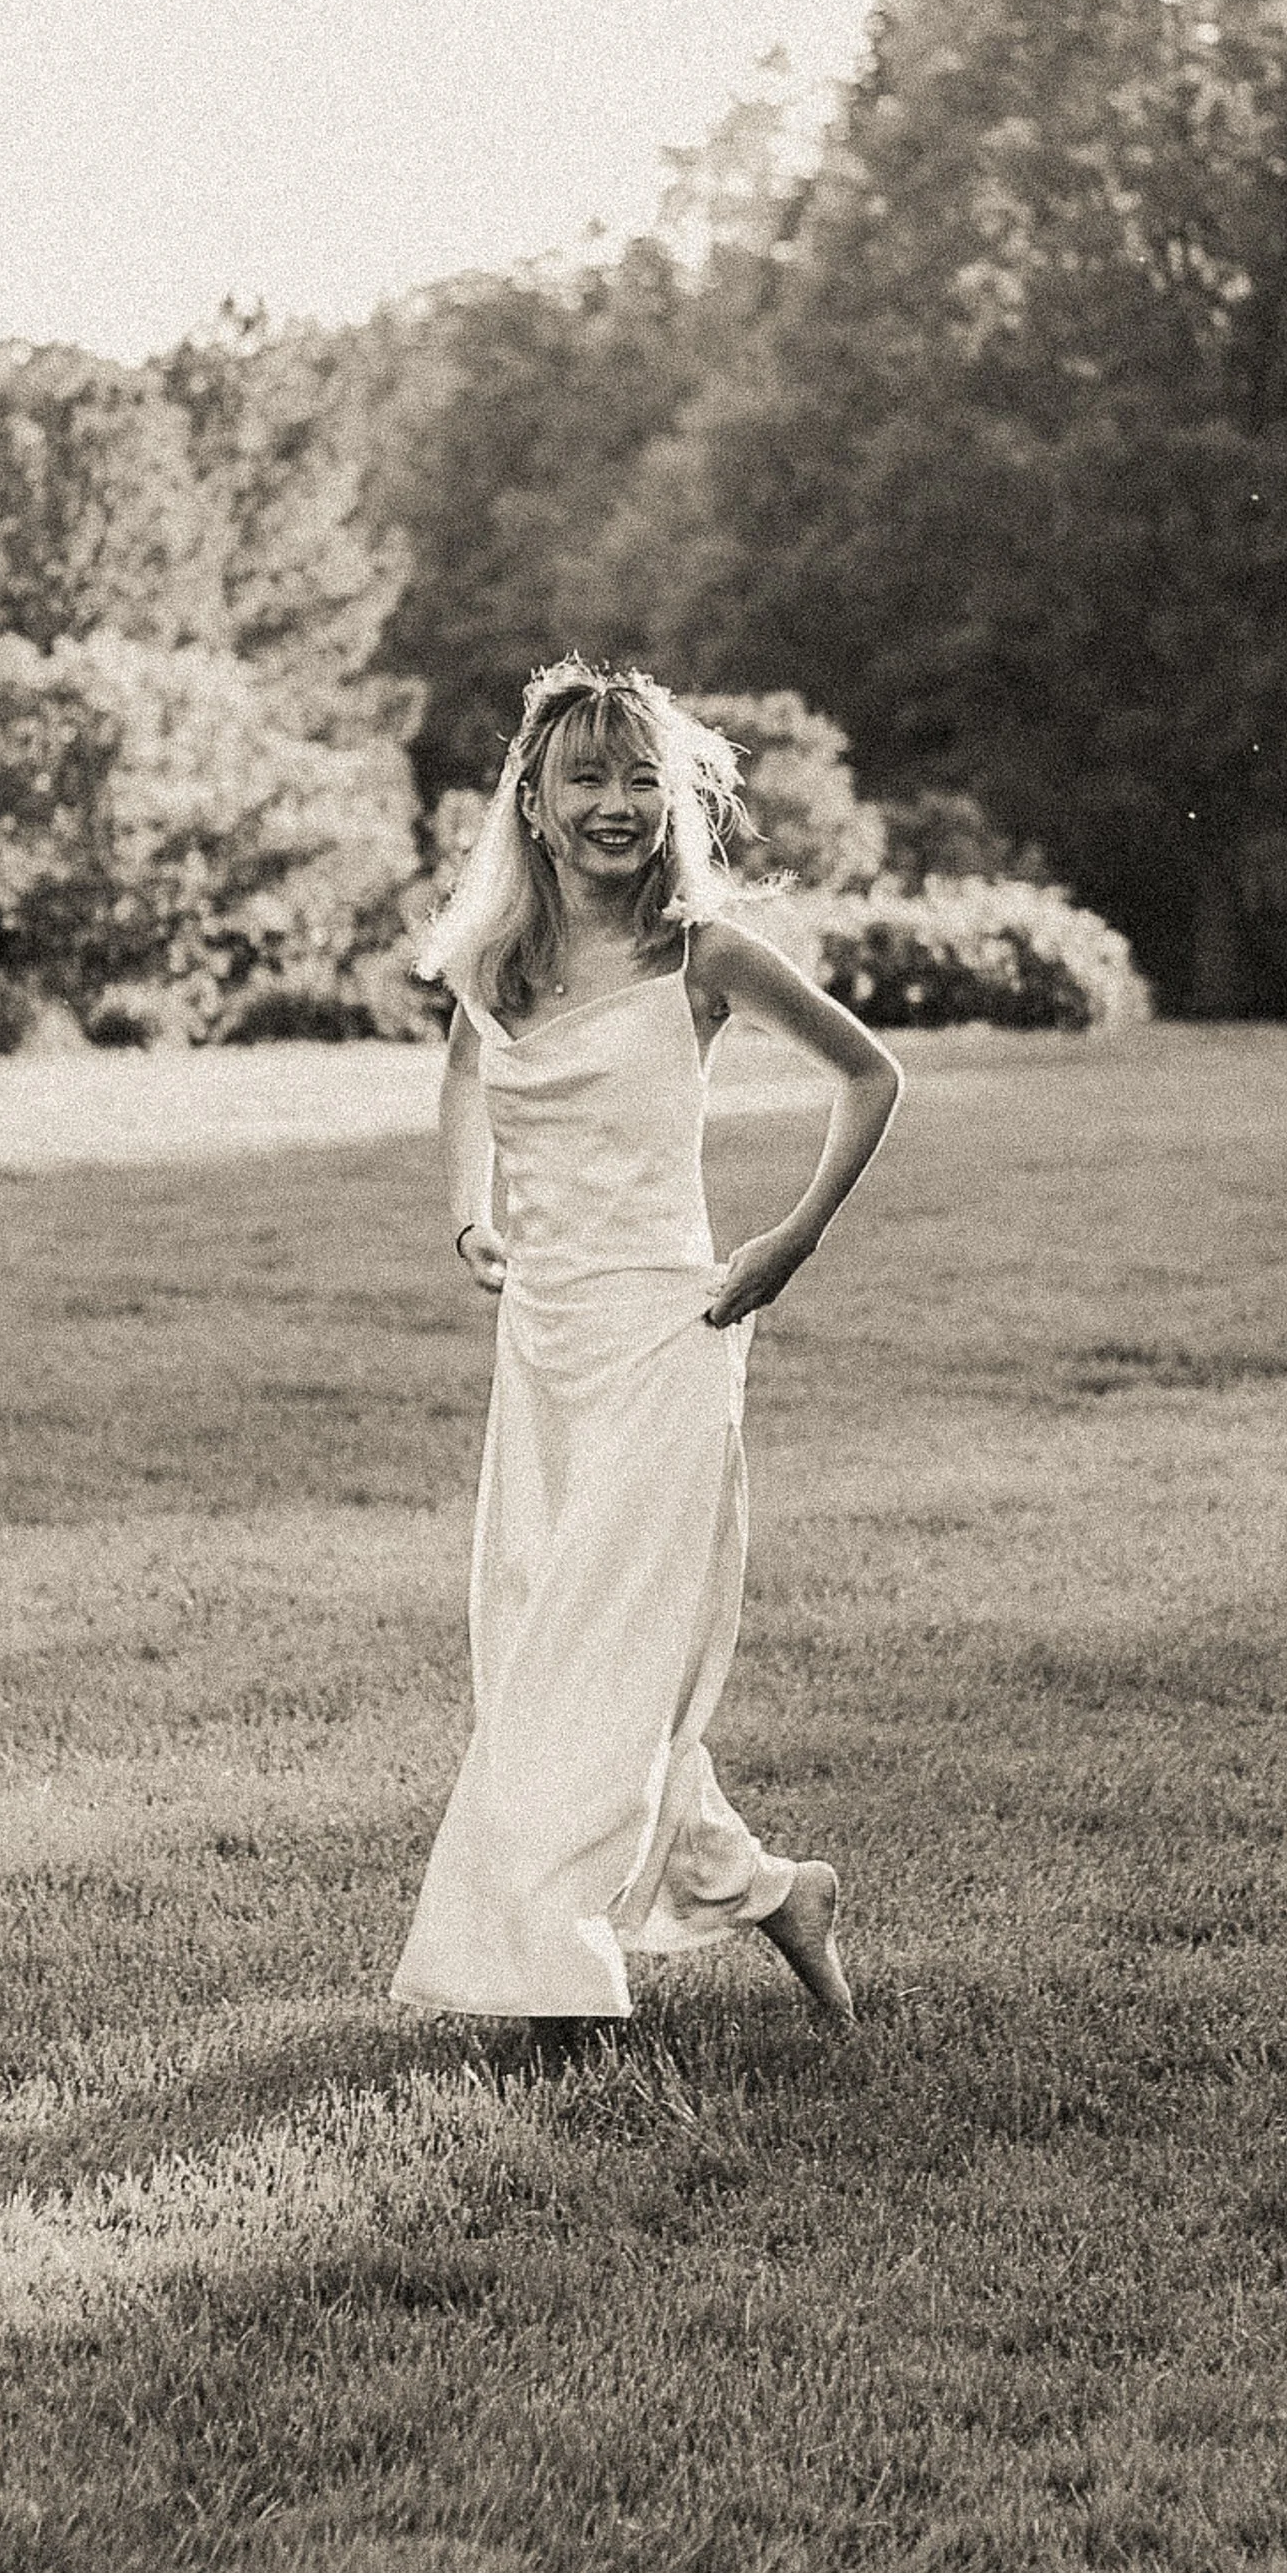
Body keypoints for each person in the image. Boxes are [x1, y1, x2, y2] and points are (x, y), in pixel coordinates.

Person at [391, 657, 902, 2049]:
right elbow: (461, 1071)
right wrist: (467, 1213)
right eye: (586, 779)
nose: (616, 804)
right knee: (544, 1654)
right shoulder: (497, 962)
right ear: (536, 806)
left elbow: (871, 1075)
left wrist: (787, 1240)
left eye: (641, 779)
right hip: (543, 1348)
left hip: (672, 1336)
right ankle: (776, 1890)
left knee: (587, 1662)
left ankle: (557, 1983)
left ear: (672, 802)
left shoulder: (705, 956)